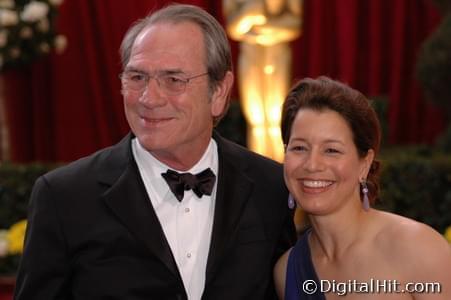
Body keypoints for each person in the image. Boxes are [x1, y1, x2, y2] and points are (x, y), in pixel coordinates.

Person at [14, 4, 296, 300]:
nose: (149, 98)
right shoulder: (64, 197)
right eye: (137, 78)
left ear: (219, 92)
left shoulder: (271, 186)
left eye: (174, 80)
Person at [274, 76, 451, 299]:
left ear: (364, 163)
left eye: (332, 150)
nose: (312, 165)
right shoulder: (285, 272)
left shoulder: (419, 250)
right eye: (299, 148)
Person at [223, 0, 302, 161]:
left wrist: (264, 30)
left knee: (276, 118)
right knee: (256, 119)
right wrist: (249, 13)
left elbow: (295, 23)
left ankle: (279, 167)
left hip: (277, 55)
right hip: (251, 56)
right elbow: (233, 27)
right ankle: (260, 167)